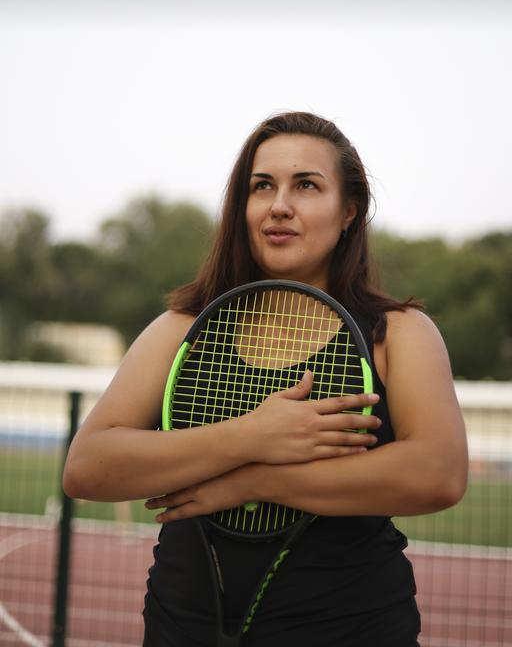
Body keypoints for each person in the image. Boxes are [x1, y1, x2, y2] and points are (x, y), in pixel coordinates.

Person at [63, 111, 468, 647]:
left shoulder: (398, 333)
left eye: (306, 185)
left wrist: (254, 480)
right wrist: (254, 435)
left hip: (354, 627)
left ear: (348, 210)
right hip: (183, 625)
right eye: (262, 186)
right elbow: (88, 469)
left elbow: (437, 473)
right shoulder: (181, 330)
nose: (280, 204)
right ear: (243, 208)